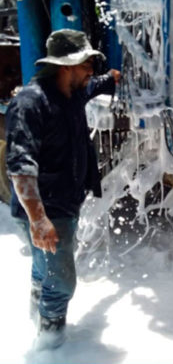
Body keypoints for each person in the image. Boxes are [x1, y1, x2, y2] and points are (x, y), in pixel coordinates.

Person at [5, 29, 120, 349]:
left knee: (45, 269)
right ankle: (50, 346)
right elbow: (20, 166)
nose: (90, 72)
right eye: (87, 65)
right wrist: (39, 220)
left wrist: (111, 77)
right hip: (46, 208)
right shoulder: (30, 102)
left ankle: (36, 316)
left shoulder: (71, 92)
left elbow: (94, 85)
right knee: (62, 282)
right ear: (67, 65)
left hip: (60, 203)